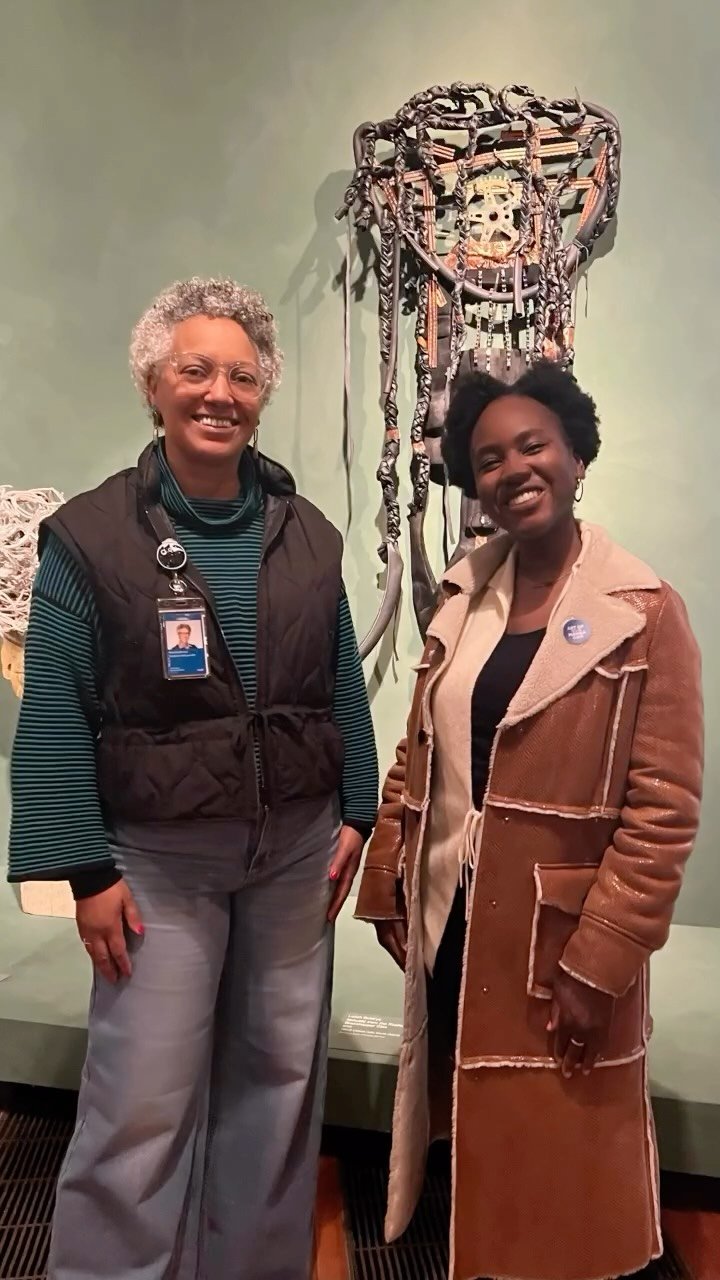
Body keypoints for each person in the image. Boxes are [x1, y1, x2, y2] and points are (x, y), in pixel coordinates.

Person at [8, 276, 379, 1280]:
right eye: (196, 370)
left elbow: (338, 676)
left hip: (295, 853)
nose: (221, 392)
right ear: (153, 385)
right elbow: (55, 706)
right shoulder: (89, 536)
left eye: (243, 376)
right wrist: (85, 867)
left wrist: (358, 805)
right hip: (158, 864)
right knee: (142, 1099)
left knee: (278, 1083)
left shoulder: (308, 531)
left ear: (263, 393)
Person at [355, 361, 703, 1280]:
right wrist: (389, 881)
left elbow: (664, 810)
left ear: (576, 454)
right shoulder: (463, 598)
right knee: (479, 1132)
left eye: (533, 445)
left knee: (566, 1152)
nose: (513, 469)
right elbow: (416, 754)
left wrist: (602, 958)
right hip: (457, 918)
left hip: (562, 931)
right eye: (488, 459)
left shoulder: (643, 611)